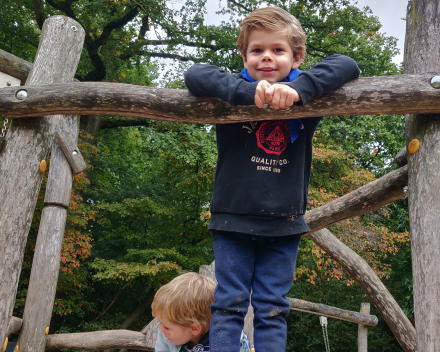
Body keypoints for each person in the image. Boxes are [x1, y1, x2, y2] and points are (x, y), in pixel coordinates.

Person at [183, 6, 360, 352]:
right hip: (232, 217)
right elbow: (195, 74)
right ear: (244, 56)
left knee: (272, 306)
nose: (266, 57)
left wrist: (300, 90)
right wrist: (246, 94)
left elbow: (348, 65)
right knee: (229, 302)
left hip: (284, 221)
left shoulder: (306, 96)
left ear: (296, 57)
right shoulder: (231, 92)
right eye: (257, 50)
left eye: (277, 50)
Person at [152, 272, 252, 352]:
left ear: (195, 328)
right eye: (161, 323)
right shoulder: (168, 336)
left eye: (166, 327)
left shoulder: (226, 341)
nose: (161, 330)